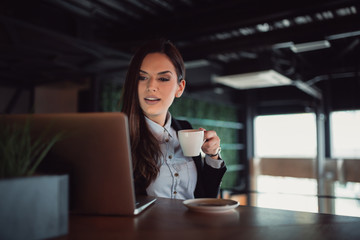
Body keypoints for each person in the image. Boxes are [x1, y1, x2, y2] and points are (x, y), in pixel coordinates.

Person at [121, 39, 226, 200]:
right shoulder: (120, 137)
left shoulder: (185, 128)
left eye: (163, 79)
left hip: (193, 224)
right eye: (142, 77)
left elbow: (206, 196)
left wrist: (212, 156)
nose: (151, 86)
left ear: (180, 88)